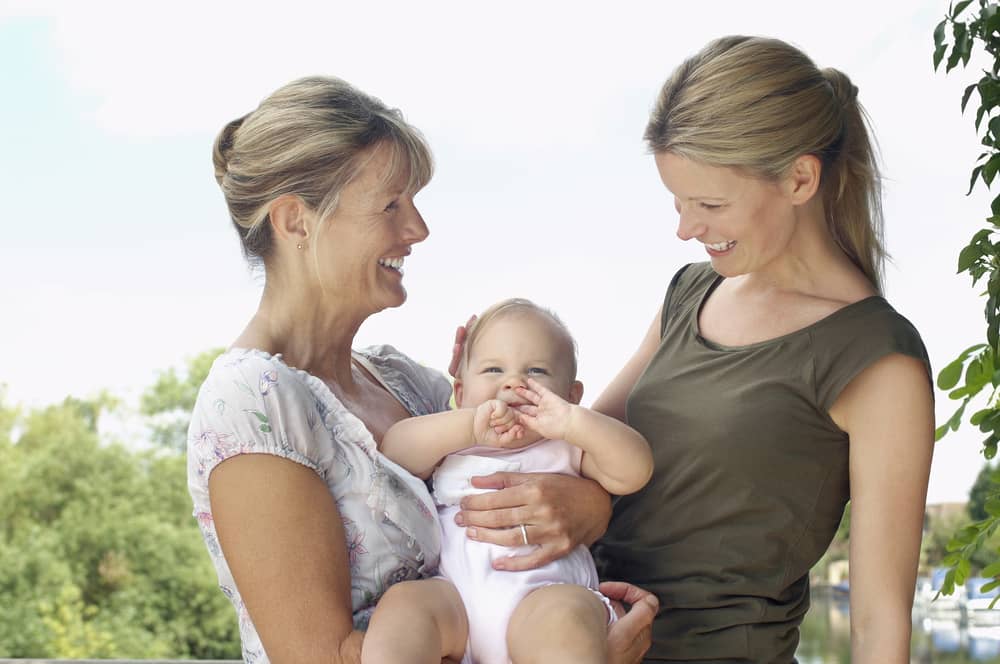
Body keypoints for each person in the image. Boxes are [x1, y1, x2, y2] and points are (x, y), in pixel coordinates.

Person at [186, 75, 657, 664]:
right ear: (295, 221)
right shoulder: (253, 403)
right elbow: (319, 657)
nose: (418, 229)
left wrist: (586, 507)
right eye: (390, 205)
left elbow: (546, 470)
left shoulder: (412, 383)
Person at [584, 36, 934, 662]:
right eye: (678, 202)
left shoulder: (878, 359)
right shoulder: (691, 293)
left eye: (711, 204)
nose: (686, 229)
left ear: (801, 178)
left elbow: (878, 626)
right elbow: (583, 447)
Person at [363, 299, 654, 664]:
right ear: (461, 390)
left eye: (536, 371)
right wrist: (467, 425)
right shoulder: (454, 440)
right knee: (404, 605)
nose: (514, 382)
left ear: (571, 396)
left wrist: (574, 423)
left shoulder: (567, 446)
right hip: (455, 603)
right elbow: (395, 452)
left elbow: (634, 469)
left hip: (543, 598)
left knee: (567, 620)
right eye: (493, 369)